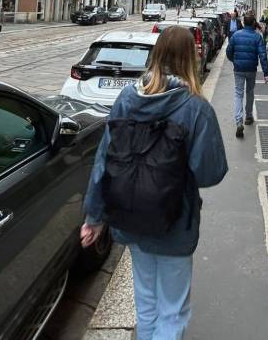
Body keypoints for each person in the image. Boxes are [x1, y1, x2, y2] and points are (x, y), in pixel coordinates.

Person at [81, 26, 228, 340]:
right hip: (175, 223)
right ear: (191, 58)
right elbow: (210, 173)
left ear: (156, 54)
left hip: (131, 218)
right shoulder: (196, 108)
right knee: (172, 311)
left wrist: (93, 217)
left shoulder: (127, 98)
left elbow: (103, 160)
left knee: (146, 306)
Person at [226, 13, 268, 138]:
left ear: (243, 22)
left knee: (238, 94)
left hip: (238, 69)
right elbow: (263, 55)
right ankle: (249, 116)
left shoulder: (236, 35)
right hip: (251, 69)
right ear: (253, 23)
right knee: (250, 92)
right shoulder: (257, 37)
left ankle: (239, 121)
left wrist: (234, 60)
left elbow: (229, 51)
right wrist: (266, 72)